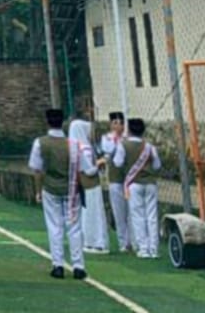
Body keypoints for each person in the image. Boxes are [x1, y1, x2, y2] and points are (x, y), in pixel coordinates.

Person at [29, 107, 98, 280]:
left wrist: (38, 191)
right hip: (71, 189)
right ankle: (78, 266)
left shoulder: (40, 143)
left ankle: (58, 265)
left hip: (50, 189)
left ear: (47, 122)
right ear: (63, 123)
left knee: (55, 227)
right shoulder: (74, 145)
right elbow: (85, 169)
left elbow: (37, 170)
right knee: (74, 227)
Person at [113, 118, 162, 260]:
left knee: (138, 215)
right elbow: (157, 166)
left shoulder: (123, 145)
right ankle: (154, 248)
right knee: (152, 216)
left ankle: (143, 248)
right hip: (151, 183)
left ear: (129, 130)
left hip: (134, 183)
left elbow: (117, 163)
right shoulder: (149, 147)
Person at [68, 111, 108, 254]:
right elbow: (89, 170)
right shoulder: (85, 148)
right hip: (91, 185)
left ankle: (92, 242)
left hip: (83, 185)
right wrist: (100, 163)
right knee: (95, 214)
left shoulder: (75, 148)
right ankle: (97, 242)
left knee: (89, 214)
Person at [99, 112, 134, 254]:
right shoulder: (106, 138)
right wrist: (116, 139)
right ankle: (123, 242)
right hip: (114, 179)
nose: (118, 125)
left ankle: (133, 240)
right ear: (111, 124)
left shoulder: (128, 138)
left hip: (129, 179)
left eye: (121, 122)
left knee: (131, 211)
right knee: (119, 212)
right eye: (115, 122)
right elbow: (109, 151)